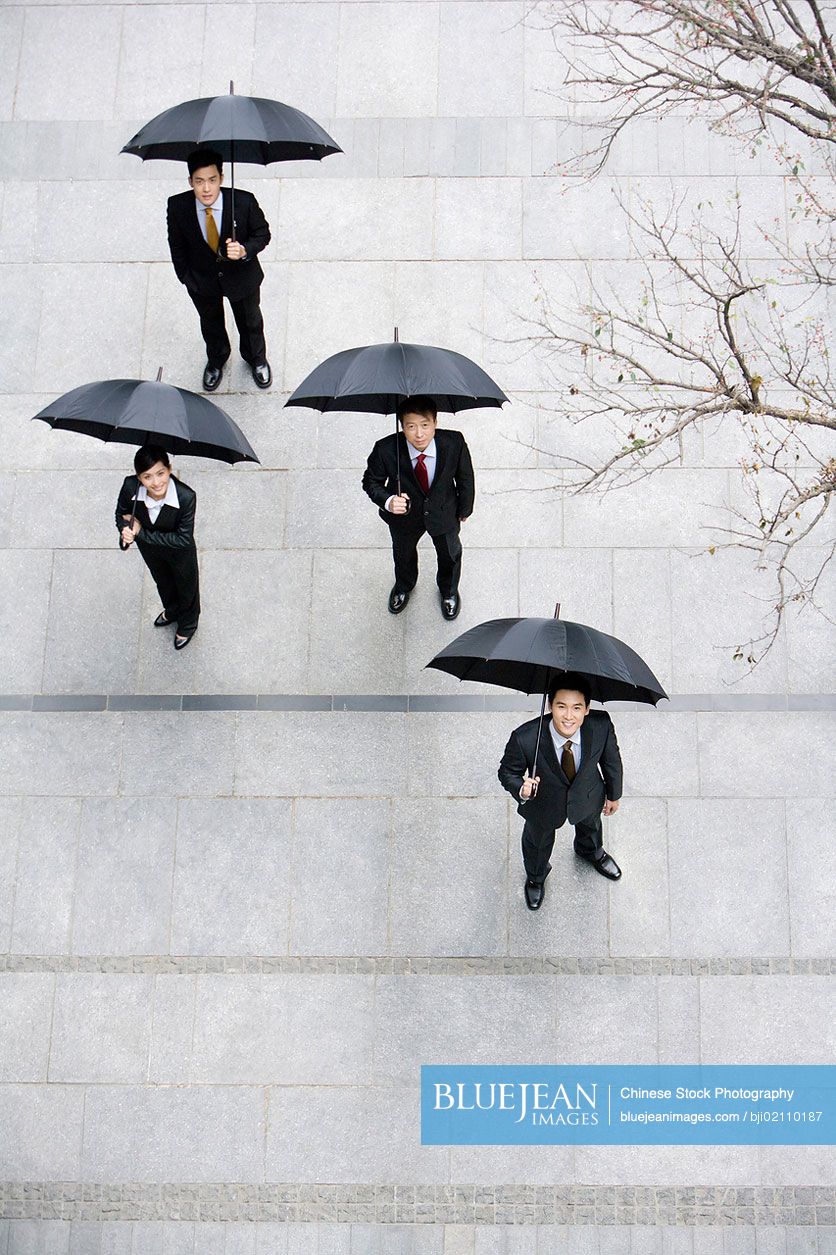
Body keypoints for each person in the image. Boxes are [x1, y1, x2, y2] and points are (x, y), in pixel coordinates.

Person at [498, 674, 623, 911]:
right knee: (537, 843)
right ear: (550, 705)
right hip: (543, 804)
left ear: (587, 709)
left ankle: (591, 852)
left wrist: (614, 794)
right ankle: (536, 876)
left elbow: (612, 761)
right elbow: (506, 772)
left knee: (591, 826)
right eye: (561, 706)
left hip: (587, 796)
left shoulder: (601, 725)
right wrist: (521, 789)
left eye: (576, 708)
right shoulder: (525, 738)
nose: (568, 716)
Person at [166, 147, 272, 392]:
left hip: (241, 277)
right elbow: (176, 245)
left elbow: (263, 233)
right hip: (201, 280)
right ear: (190, 181)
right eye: (199, 181)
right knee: (210, 322)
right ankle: (217, 359)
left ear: (221, 179)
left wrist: (244, 250)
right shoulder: (177, 206)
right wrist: (185, 277)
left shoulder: (243, 201)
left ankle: (256, 358)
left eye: (212, 180)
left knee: (250, 320)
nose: (206, 189)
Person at [361, 397, 475, 620]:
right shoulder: (386, 449)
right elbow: (370, 482)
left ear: (435, 422)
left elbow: (465, 478)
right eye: (411, 426)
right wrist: (388, 501)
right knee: (402, 554)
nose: (419, 434)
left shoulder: (454, 442)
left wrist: (465, 509)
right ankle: (404, 586)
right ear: (402, 426)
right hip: (404, 517)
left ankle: (449, 591)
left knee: (450, 555)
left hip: (443, 512)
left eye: (425, 425)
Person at [116, 446, 200, 651]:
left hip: (180, 555)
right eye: (147, 476)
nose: (156, 482)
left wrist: (140, 533)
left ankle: (188, 624)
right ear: (139, 478)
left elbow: (183, 539)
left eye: (160, 473)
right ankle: (172, 611)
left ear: (169, 469)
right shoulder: (130, 487)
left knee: (187, 588)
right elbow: (122, 514)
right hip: (152, 554)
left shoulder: (186, 497)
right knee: (163, 583)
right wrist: (125, 531)